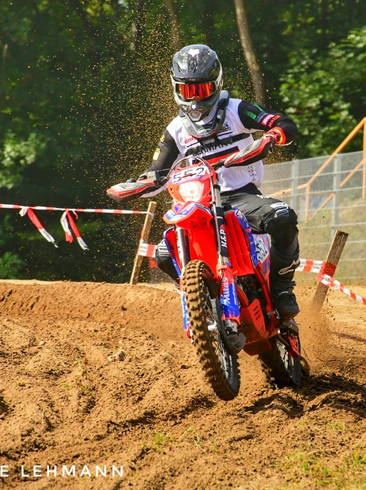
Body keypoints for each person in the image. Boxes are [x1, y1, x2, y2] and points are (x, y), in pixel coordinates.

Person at [124, 44, 301, 320]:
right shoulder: (175, 130)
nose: (195, 99)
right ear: (176, 88)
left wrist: (271, 136)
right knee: (163, 254)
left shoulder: (237, 110)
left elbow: (282, 122)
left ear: (216, 84)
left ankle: (282, 288)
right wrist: (135, 185)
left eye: (202, 89)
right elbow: (157, 173)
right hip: (199, 203)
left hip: (242, 196)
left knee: (283, 217)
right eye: (188, 91)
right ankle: (198, 298)